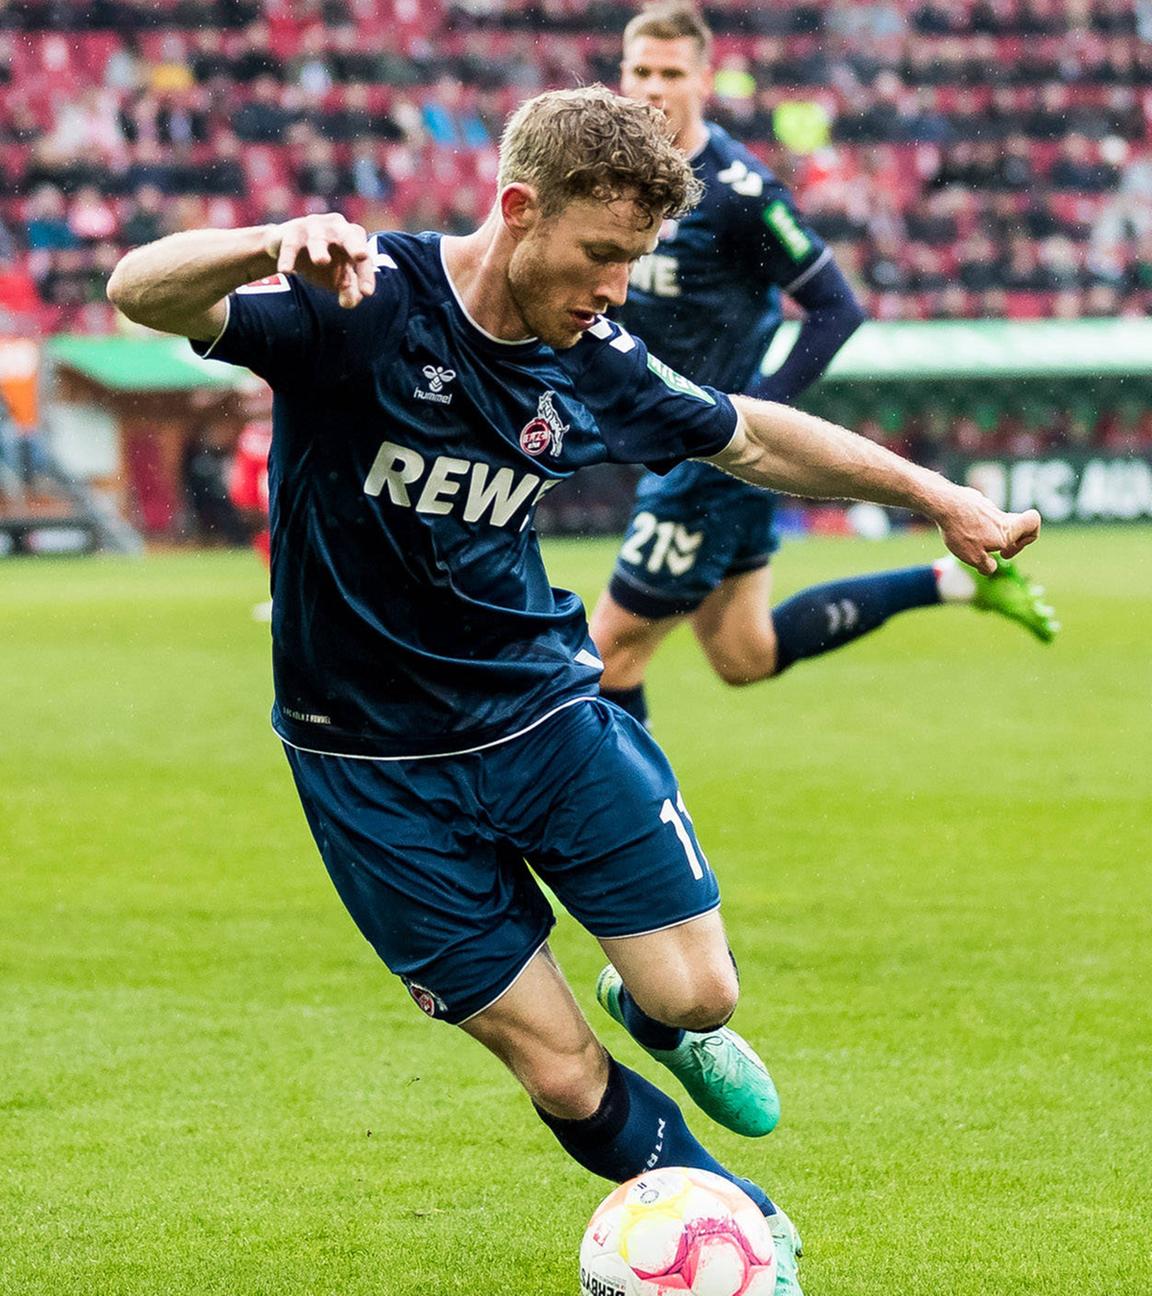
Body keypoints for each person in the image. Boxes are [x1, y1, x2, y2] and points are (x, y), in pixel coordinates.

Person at [106, 85, 1041, 1296]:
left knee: (700, 995)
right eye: (602, 255)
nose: (617, 287)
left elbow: (750, 434)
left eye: (636, 260)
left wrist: (943, 498)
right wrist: (266, 239)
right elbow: (140, 291)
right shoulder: (363, 301)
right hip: (367, 767)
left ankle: (658, 1017)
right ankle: (749, 1233)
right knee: (554, 1071)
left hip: (542, 717)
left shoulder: (594, 362)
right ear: (516, 210)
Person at [589, 3, 1057, 736]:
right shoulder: (613, 177)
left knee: (608, 656)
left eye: (670, 73)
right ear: (619, 76)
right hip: (673, 439)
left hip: (708, 454)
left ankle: (628, 833)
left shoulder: (740, 192)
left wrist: (746, 414)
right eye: (639, 70)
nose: (652, 87)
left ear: (703, 80)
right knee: (745, 654)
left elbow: (836, 308)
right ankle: (945, 583)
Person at [228, 383, 274, 621]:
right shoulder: (251, 433)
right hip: (262, 493)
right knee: (265, 540)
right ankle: (279, 594)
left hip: (276, 490)